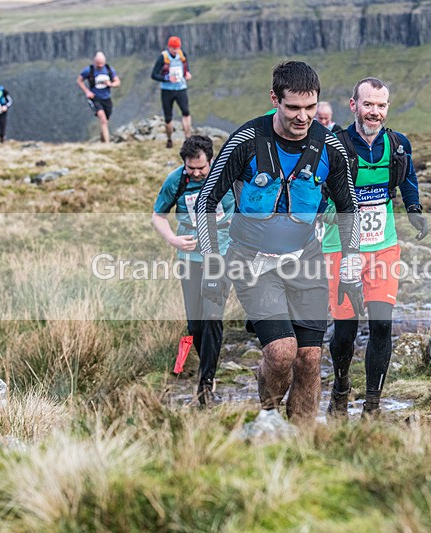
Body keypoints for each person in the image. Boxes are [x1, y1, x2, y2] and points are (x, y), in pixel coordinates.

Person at [195, 61, 362, 426]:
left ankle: (302, 441)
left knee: (309, 358)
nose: (303, 117)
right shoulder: (246, 141)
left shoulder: (330, 146)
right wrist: (211, 265)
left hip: (306, 258)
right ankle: (268, 423)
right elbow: (206, 199)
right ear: (275, 99)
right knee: (283, 352)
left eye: (310, 107)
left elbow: (349, 207)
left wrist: (351, 267)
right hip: (253, 261)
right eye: (293, 108)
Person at [322, 77, 428, 418]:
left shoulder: (397, 144)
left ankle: (372, 406)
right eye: (368, 104)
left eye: (381, 105)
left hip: (383, 246)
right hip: (341, 248)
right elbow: (319, 193)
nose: (374, 112)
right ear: (353, 105)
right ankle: (340, 389)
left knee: (382, 324)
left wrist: (414, 209)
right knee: (345, 329)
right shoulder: (334, 146)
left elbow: (407, 176)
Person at [152, 135, 235, 407]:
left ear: (211, 160)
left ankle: (206, 384)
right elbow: (158, 215)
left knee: (212, 317)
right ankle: (206, 371)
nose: (197, 173)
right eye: (191, 168)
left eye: (201, 168)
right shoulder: (176, 180)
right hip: (189, 257)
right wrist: (172, 239)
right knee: (196, 324)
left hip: (220, 254)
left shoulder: (227, 175)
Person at [151, 36, 193, 149]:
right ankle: (169, 139)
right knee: (168, 117)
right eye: (173, 48)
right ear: (169, 47)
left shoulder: (182, 55)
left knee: (186, 112)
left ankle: (188, 139)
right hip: (167, 91)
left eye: (177, 48)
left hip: (181, 88)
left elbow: (186, 68)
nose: (175, 50)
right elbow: (154, 75)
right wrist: (167, 78)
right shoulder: (163, 57)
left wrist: (187, 74)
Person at [76, 51, 120, 143]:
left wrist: (111, 84)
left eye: (101, 64)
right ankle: (107, 144)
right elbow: (79, 80)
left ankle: (103, 141)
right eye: (98, 64)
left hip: (106, 99)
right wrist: (87, 91)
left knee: (105, 121)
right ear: (94, 61)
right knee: (103, 120)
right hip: (95, 99)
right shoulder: (89, 70)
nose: (100, 66)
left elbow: (117, 82)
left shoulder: (109, 70)